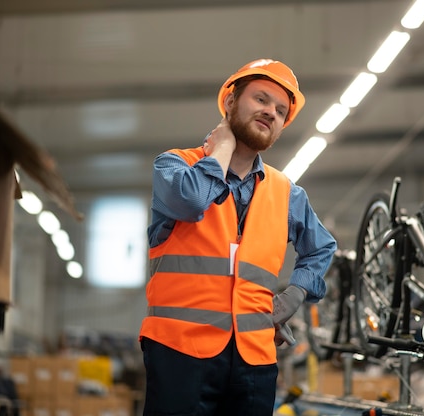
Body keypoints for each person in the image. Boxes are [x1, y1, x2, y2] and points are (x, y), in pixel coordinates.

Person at [139, 58, 337, 416]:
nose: (271, 113)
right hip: (179, 354)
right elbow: (191, 201)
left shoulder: (287, 193)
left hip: (254, 360)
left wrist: (294, 295)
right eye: (261, 100)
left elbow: (322, 248)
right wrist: (222, 150)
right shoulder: (174, 166)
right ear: (230, 102)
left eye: (281, 110)